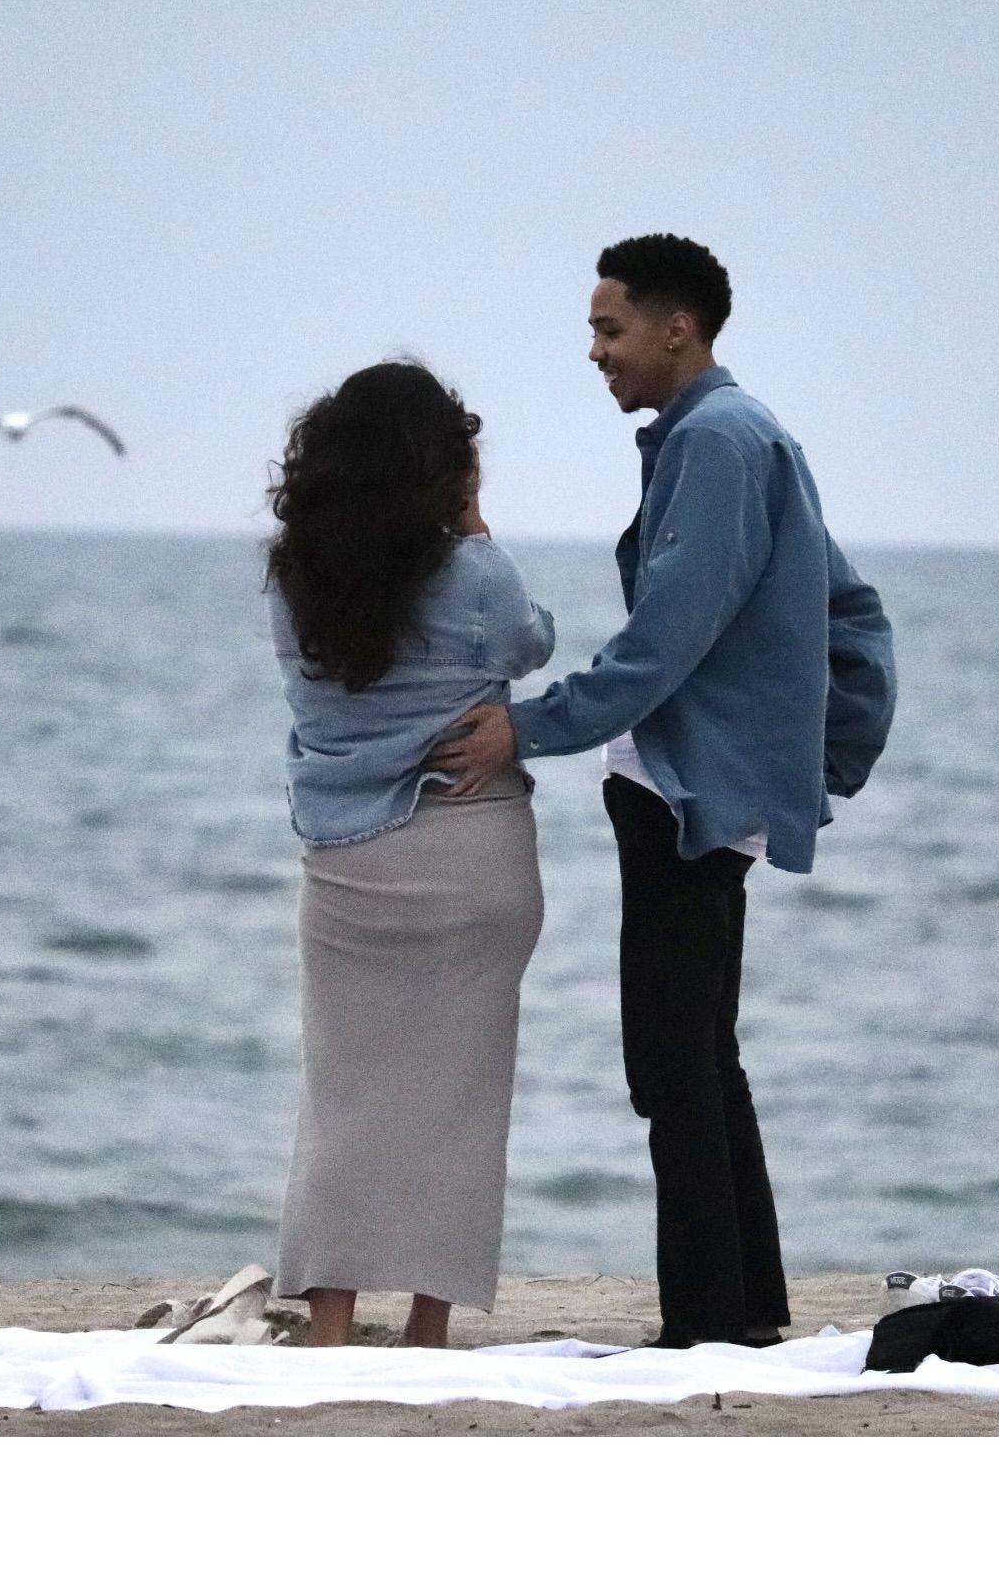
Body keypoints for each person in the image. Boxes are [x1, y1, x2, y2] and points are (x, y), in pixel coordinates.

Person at [430, 234, 896, 1349]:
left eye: (611, 329)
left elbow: (667, 639)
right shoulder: (731, 432)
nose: (595, 352)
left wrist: (528, 727)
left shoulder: (720, 442)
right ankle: (745, 1311)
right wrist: (804, 759)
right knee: (701, 1059)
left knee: (673, 1066)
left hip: (685, 790)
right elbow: (851, 616)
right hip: (711, 783)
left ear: (677, 329)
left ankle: (707, 1327)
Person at [264, 360, 555, 1349]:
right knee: (460, 1101)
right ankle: (429, 1323)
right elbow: (530, 644)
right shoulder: (472, 572)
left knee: (343, 1096)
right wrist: (475, 525)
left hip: (349, 861)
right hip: (472, 846)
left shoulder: (296, 577)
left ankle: (332, 1320)